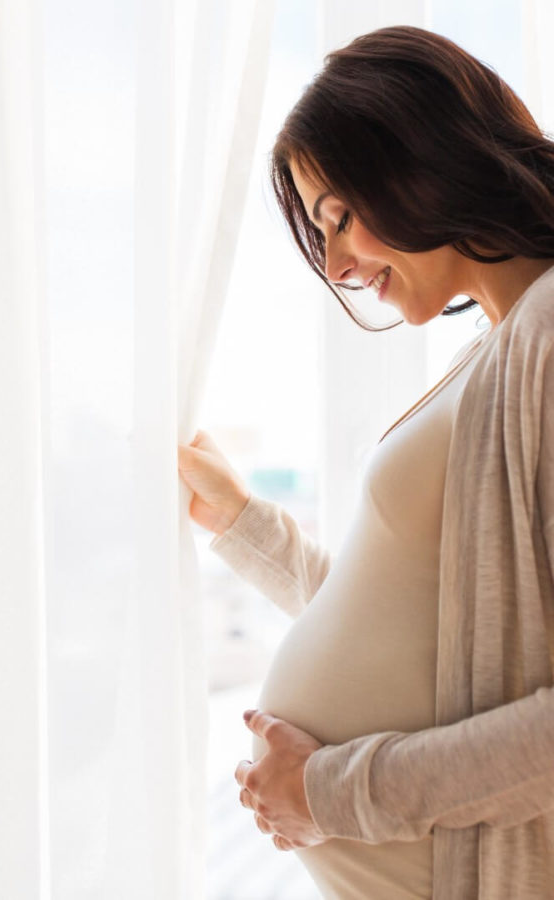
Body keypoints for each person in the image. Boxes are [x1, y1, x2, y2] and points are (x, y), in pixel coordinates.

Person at [177, 25, 554, 900]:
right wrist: (247, 529)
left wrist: (328, 793)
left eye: (340, 218)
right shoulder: (506, 343)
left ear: (421, 157)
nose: (339, 265)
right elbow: (439, 641)